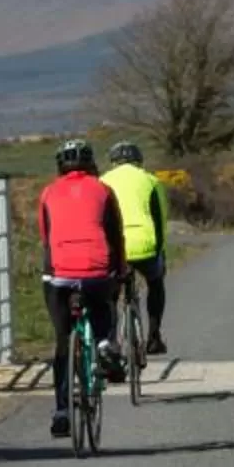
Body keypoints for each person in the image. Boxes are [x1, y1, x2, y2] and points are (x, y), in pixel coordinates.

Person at [36, 139, 125, 439]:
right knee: (102, 305)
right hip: (97, 269)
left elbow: (45, 237)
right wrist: (120, 271)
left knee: (62, 343)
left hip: (59, 274)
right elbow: (115, 235)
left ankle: (62, 410)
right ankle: (103, 344)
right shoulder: (103, 190)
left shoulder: (48, 192)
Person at [100, 139, 171, 366]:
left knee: (110, 295)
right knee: (156, 283)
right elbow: (160, 219)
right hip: (145, 245)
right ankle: (153, 336)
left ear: (113, 163)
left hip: (115, 247)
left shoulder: (102, 182)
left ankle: (110, 341)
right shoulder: (151, 181)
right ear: (139, 162)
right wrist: (161, 251)